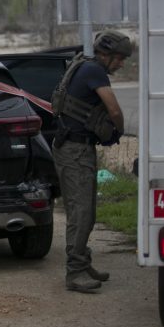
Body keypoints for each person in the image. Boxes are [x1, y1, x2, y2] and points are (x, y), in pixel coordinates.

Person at [51, 30, 133, 293]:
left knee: (86, 210)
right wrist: (118, 130)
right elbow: (114, 109)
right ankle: (75, 272)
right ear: (106, 54)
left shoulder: (85, 66)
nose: (121, 64)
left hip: (75, 147)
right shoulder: (94, 71)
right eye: (119, 58)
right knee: (81, 212)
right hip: (74, 150)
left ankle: (83, 264)